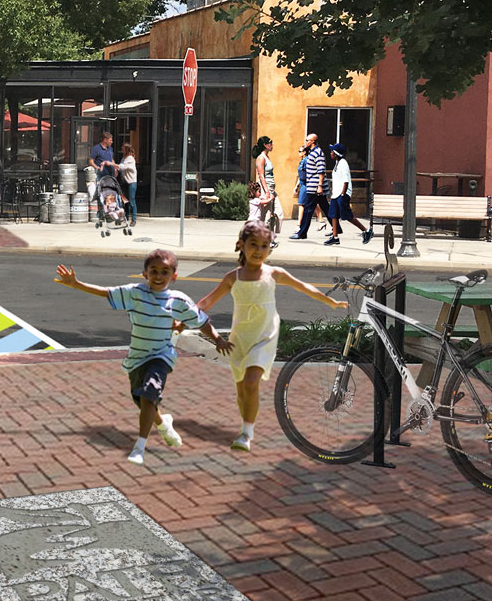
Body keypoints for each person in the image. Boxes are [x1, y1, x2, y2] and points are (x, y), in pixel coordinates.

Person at [54, 250, 231, 466]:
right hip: (137, 358)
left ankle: (139, 447)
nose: (158, 276)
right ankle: (163, 423)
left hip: (161, 356)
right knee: (144, 401)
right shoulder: (135, 293)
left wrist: (218, 339)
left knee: (149, 396)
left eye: (164, 272)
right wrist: (76, 284)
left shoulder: (178, 300)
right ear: (144, 274)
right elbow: (106, 292)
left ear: (174, 275)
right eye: (153, 271)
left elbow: (201, 321)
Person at [196, 221, 346, 452]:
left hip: (265, 335)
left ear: (270, 249)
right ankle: (246, 419)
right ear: (241, 245)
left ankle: (246, 433)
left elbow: (304, 286)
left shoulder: (274, 273)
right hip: (240, 338)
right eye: (253, 244)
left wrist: (331, 302)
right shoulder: (232, 278)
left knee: (250, 382)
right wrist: (184, 318)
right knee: (242, 392)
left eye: (264, 246)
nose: (258, 250)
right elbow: (206, 302)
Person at [325, 142, 372, 245]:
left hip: (342, 194)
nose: (330, 153)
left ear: (336, 153)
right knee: (333, 215)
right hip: (336, 194)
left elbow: (346, 180)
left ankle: (366, 230)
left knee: (347, 215)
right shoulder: (337, 163)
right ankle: (335, 237)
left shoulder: (343, 163)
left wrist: (343, 193)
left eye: (332, 151)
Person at [290, 135, 329, 241]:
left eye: (307, 140)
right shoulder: (312, 152)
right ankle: (336, 228)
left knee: (307, 209)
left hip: (315, 186)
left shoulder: (318, 153)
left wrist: (320, 186)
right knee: (325, 207)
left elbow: (321, 170)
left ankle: (302, 233)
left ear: (312, 142)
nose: (305, 142)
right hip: (312, 186)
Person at [248, 136, 283, 242]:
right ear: (265, 145)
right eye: (270, 143)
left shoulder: (267, 157)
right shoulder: (261, 158)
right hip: (265, 188)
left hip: (271, 188)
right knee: (266, 216)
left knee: (279, 213)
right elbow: (261, 176)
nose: (272, 145)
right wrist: (266, 191)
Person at [121, 144, 138, 226]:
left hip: (131, 182)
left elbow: (123, 167)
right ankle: (126, 217)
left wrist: (113, 165)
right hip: (125, 182)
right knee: (125, 201)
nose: (122, 150)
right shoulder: (123, 158)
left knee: (132, 200)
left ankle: (134, 219)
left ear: (127, 150)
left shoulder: (130, 158)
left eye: (123, 149)